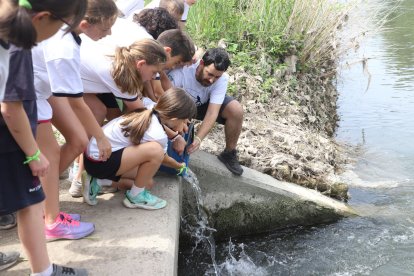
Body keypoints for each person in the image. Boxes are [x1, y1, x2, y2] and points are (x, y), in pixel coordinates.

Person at [0, 0, 89, 274]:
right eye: (64, 27)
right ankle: (44, 272)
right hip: (8, 141)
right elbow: (11, 109)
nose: (60, 35)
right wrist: (33, 153)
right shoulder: (17, 45)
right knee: (32, 204)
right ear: (42, 17)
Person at [32, 0, 118, 239]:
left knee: (79, 141)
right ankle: (51, 221)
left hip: (44, 87)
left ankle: (41, 203)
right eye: (105, 28)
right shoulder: (63, 48)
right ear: (84, 24)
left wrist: (93, 138)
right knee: (50, 154)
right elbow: (77, 104)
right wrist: (101, 138)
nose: (109, 33)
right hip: (27, 94)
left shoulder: (66, 31)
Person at [83, 87, 196, 208]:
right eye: (185, 121)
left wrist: (175, 136)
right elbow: (163, 158)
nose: (185, 126)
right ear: (174, 119)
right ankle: (135, 198)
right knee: (155, 151)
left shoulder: (149, 107)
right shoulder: (157, 134)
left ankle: (98, 182)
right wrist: (180, 167)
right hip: (99, 162)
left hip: (94, 158)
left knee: (146, 183)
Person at [168, 48, 244, 175]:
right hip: (180, 103)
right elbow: (167, 104)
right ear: (202, 64)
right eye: (209, 74)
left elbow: (212, 112)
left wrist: (198, 138)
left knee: (236, 110)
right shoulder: (182, 72)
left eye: (217, 77)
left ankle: (229, 153)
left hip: (203, 105)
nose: (211, 80)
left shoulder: (222, 79)